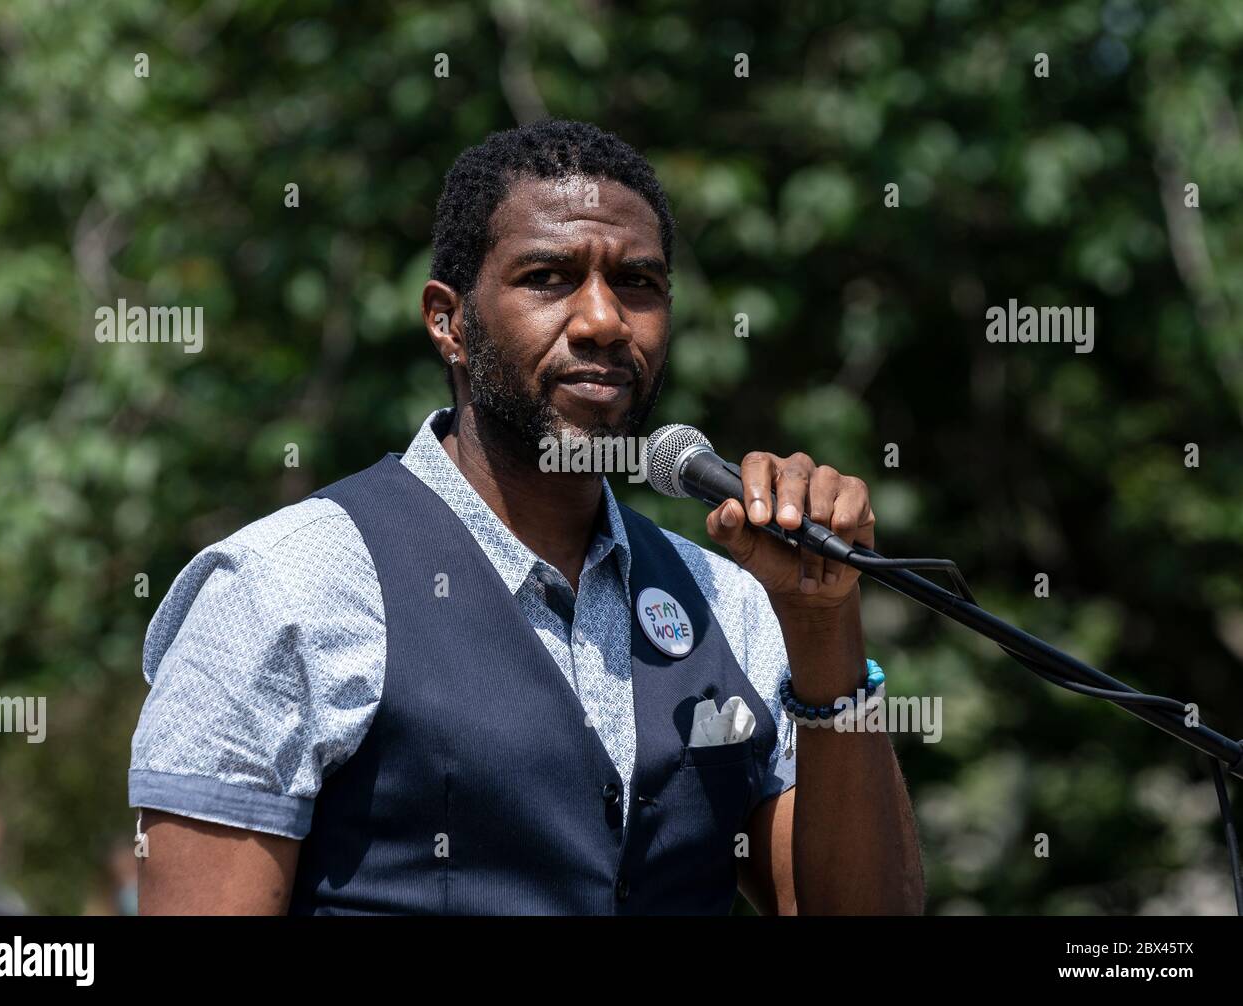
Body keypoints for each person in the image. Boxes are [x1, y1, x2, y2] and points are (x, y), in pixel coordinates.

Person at [130, 118, 924, 915]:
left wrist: (824, 624)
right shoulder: (281, 590)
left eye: (639, 284)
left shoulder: (732, 603)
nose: (604, 322)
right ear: (449, 322)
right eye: (549, 277)